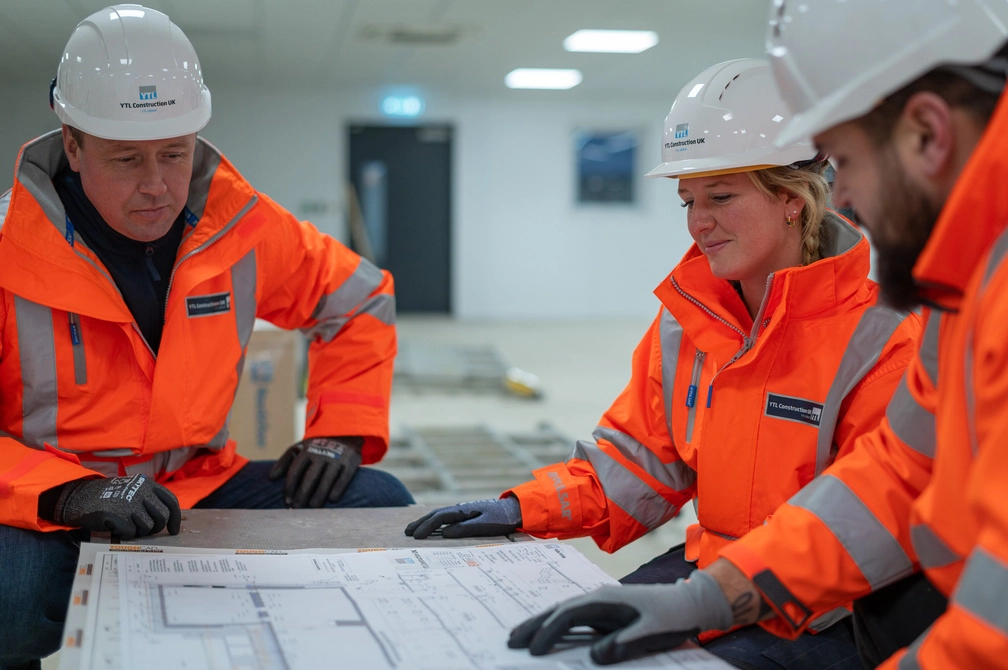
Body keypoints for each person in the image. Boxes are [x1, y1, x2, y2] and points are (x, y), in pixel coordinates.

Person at [506, 1, 1008, 668]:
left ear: (928, 133)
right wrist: (714, 597)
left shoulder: (918, 316)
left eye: (846, 163)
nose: (845, 199)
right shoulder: (965, 295)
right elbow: (897, 472)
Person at [406, 58, 921, 669]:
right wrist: (522, 508)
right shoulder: (690, 319)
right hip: (711, 570)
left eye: (721, 197)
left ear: (793, 198)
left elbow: (869, 519)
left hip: (826, 613)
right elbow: (642, 460)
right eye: (687, 201)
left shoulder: (881, 337)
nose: (698, 223)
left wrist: (717, 599)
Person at [0, 5, 414, 667]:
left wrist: (339, 429)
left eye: (174, 153)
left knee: (378, 507)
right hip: (48, 503)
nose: (158, 186)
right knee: (8, 605)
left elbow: (358, 298)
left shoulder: (238, 226)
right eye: (127, 159)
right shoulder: (7, 252)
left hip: (192, 484)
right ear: (73, 145)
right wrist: (63, 492)